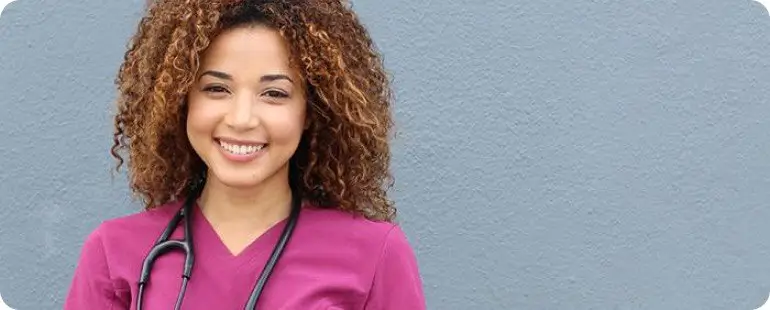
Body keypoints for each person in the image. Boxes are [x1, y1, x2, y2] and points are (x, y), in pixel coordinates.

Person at [63, 0, 426, 309]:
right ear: (179, 101)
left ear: (311, 112)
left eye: (275, 94)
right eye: (217, 88)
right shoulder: (113, 253)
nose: (241, 119)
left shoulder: (376, 254)